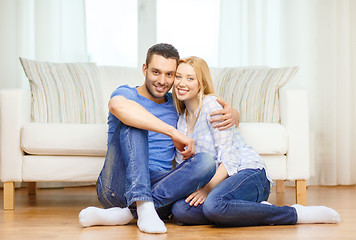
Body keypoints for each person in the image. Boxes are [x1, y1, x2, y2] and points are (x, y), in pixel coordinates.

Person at [78, 44, 239, 234]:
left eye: (169, 74)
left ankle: (130, 213)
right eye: (156, 72)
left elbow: (202, 104)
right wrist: (172, 132)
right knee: (134, 123)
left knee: (205, 162)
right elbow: (117, 107)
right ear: (144, 69)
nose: (162, 81)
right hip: (117, 186)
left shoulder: (176, 102)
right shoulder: (128, 94)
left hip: (160, 190)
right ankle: (142, 205)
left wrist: (235, 115)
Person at [170, 56, 340, 227]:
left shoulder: (211, 106)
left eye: (190, 78)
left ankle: (294, 214)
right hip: (220, 184)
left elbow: (230, 159)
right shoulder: (181, 121)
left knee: (214, 205)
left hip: (248, 172)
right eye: (178, 76)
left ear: (201, 83)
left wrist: (207, 189)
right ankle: (251, 210)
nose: (181, 83)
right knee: (180, 211)